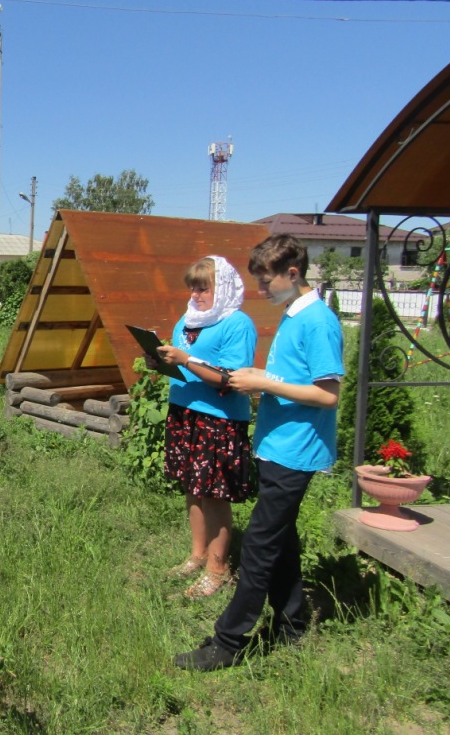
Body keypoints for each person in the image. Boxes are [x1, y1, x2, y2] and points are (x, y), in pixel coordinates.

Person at [174, 234, 344, 671]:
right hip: (275, 443)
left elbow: (328, 394)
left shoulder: (317, 321)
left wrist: (262, 383)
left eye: (267, 281)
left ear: (293, 272)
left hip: (296, 449)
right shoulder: (293, 313)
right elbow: (293, 377)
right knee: (281, 541)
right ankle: (292, 625)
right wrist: (259, 374)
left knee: (259, 547)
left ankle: (227, 643)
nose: (261, 290)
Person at [154, 256, 257, 598]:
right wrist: (162, 361)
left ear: (223, 288)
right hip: (185, 412)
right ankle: (198, 555)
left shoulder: (237, 324)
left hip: (218, 419)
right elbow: (181, 366)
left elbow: (230, 378)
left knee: (214, 493)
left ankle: (218, 569)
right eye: (193, 288)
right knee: (192, 487)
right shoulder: (187, 321)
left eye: (204, 288)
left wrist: (186, 359)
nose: (196, 295)